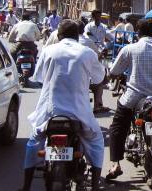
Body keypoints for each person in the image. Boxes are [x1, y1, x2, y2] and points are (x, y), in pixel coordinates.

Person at [19, 20, 106, 191]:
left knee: (34, 141)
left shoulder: (49, 51)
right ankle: (95, 185)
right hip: (79, 115)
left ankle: (26, 185)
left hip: (49, 114)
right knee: (96, 141)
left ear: (59, 36)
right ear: (77, 36)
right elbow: (98, 78)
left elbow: (39, 77)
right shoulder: (87, 53)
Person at [106, 18, 152, 181]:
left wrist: (111, 75)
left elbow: (115, 70)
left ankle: (116, 164)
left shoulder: (130, 49)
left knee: (118, 126)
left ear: (137, 33)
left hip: (134, 96)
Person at [78, 20, 109, 114]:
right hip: (84, 74)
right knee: (100, 81)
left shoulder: (60, 44)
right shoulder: (87, 41)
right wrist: (101, 55)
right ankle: (98, 105)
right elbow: (96, 57)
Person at [84, 10, 112, 113]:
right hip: (91, 51)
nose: (98, 17)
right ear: (93, 16)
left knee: (101, 75)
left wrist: (114, 40)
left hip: (101, 52)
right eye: (96, 16)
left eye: (99, 15)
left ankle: (98, 104)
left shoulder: (103, 27)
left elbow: (110, 36)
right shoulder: (88, 26)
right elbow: (87, 38)